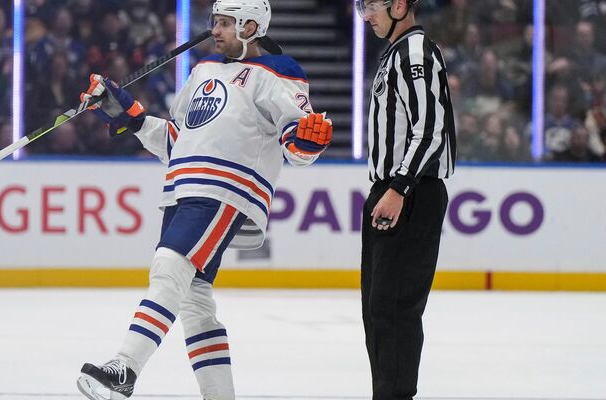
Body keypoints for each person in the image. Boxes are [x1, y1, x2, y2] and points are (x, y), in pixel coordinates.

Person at [75, 1, 333, 399]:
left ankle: (125, 366)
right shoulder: (201, 71)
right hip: (182, 188)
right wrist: (131, 116)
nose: (215, 30)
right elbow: (179, 140)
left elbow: (296, 143)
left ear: (251, 26)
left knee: (168, 265)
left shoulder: (280, 74)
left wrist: (307, 143)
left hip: (226, 189)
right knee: (194, 299)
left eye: (226, 23)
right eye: (215, 22)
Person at [355, 0, 456, 399]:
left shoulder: (414, 51)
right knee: (378, 310)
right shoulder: (395, 53)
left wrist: (399, 187)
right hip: (391, 190)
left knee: (394, 308)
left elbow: (430, 130)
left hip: (409, 192)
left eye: (371, 5)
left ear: (399, 4)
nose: (366, 15)